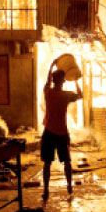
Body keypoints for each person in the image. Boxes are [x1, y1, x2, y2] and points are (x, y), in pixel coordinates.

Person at [41, 59, 82, 199]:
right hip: (62, 133)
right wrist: (76, 79)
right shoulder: (66, 95)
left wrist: (52, 65)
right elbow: (80, 95)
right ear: (64, 81)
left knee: (47, 162)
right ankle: (69, 186)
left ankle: (46, 190)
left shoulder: (48, 92)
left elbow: (47, 81)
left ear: (53, 80)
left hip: (49, 131)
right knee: (67, 161)